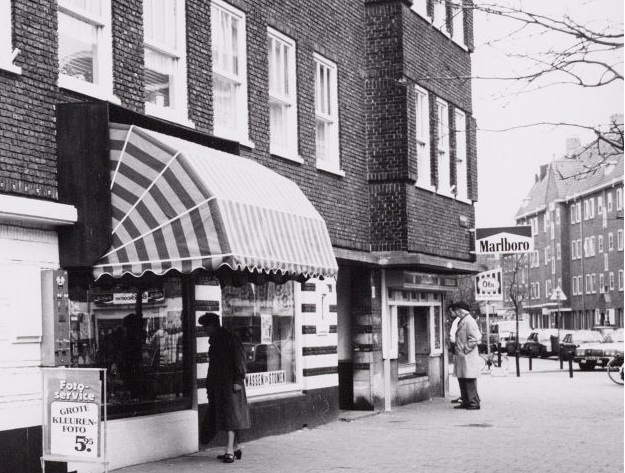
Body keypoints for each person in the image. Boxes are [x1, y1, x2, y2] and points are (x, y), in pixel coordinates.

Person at [199, 313, 250, 463]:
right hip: (220, 385)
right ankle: (236, 448)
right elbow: (213, 366)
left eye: (206, 327)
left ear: (212, 326)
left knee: (230, 416)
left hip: (231, 384)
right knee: (226, 415)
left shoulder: (229, 338)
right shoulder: (215, 340)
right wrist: (209, 385)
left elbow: (240, 359)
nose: (204, 330)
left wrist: (238, 380)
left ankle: (229, 450)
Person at [451, 301, 482, 410]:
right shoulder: (463, 320)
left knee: (469, 380)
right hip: (463, 356)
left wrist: (465, 349)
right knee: (463, 379)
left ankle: (473, 402)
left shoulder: (469, 321)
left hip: (467, 357)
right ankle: (466, 401)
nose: (456, 313)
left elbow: (475, 338)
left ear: (461, 311)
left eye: (457, 311)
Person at [448, 304, 463, 405]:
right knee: (459, 374)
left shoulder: (459, 321)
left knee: (461, 374)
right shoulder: (457, 321)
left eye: (451, 311)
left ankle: (465, 396)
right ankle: (464, 396)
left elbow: (455, 336)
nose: (450, 313)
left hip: (458, 348)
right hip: (456, 347)